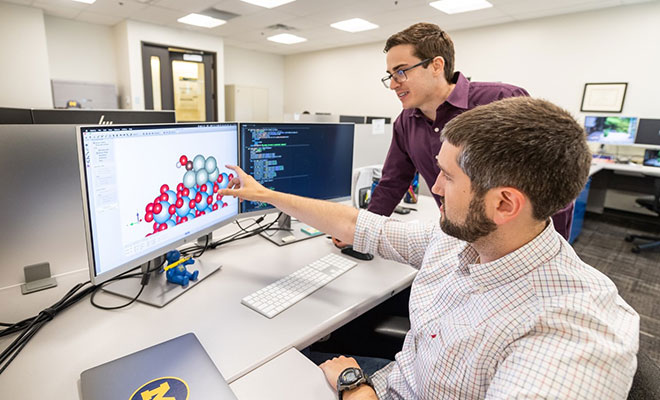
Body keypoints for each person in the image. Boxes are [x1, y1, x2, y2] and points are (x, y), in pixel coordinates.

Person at [220, 97, 639, 399]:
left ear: (504, 203)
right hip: (391, 383)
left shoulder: (573, 332)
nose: (433, 189)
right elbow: (361, 226)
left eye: (447, 178)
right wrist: (266, 194)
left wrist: (355, 387)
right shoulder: (462, 240)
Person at [365, 22, 575, 240]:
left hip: (513, 243)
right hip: (456, 236)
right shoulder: (406, 123)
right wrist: (362, 230)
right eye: (390, 75)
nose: (393, 85)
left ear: (436, 65)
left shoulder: (501, 100)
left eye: (400, 72)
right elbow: (393, 182)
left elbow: (550, 181)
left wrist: (553, 248)